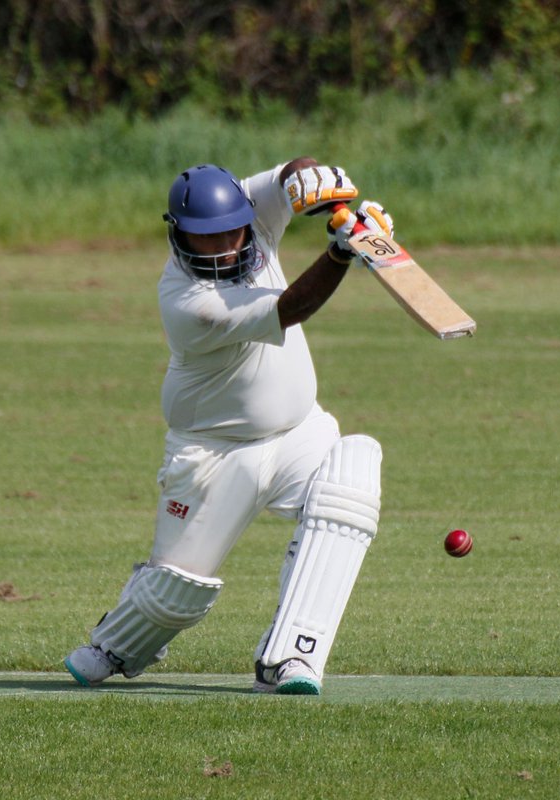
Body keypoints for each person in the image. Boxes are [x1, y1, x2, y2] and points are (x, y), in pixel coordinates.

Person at [64, 159, 395, 695]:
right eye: (205, 240)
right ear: (179, 237)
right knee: (176, 595)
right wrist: (342, 249)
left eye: (230, 233)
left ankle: (292, 656)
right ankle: (118, 642)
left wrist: (311, 179)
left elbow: (291, 174)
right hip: (213, 454)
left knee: (353, 472)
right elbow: (293, 307)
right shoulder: (189, 302)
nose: (222, 247)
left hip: (297, 432)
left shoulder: (248, 208)